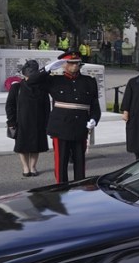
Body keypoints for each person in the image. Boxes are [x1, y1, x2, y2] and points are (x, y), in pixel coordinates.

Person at [29, 50, 102, 183]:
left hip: (80, 125)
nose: (75, 66)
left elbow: (94, 104)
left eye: (77, 63)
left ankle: (80, 187)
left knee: (80, 161)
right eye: (71, 63)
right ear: (63, 64)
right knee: (61, 161)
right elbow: (31, 82)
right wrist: (47, 69)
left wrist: (94, 119)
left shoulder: (89, 81)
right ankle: (61, 188)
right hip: (60, 125)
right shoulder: (54, 80)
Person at [5, 60, 51, 177]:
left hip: (38, 121)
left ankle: (33, 166)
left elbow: (46, 105)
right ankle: (25, 167)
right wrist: (11, 122)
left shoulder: (42, 87)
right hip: (21, 121)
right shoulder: (16, 87)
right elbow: (10, 106)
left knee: (36, 146)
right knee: (22, 146)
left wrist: (47, 122)